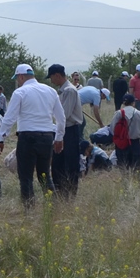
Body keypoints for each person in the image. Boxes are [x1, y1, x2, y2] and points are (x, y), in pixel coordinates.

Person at [0, 64, 65, 206]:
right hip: (47, 137)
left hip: (27, 137)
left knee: (26, 176)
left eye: (18, 79)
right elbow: (61, 118)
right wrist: (59, 138)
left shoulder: (20, 92)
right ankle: (52, 206)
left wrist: (0, 138)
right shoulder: (51, 91)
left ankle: (29, 208)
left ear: (20, 76)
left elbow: (9, 118)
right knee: (44, 174)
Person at [48, 64, 84, 197]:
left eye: (52, 77)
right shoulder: (62, 91)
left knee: (70, 163)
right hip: (61, 130)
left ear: (57, 75)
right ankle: (60, 192)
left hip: (70, 130)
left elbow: (64, 114)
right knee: (58, 164)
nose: (51, 81)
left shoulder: (69, 91)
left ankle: (69, 194)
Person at [109, 93, 140, 172]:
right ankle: (135, 184)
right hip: (135, 143)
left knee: (123, 168)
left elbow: (112, 129)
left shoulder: (118, 113)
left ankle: (125, 183)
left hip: (121, 143)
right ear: (133, 102)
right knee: (136, 169)